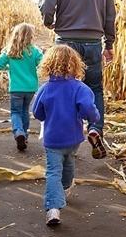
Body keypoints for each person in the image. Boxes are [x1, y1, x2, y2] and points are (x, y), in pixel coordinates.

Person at [38, 0, 116, 159]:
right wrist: (109, 44)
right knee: (94, 88)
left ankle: (63, 140)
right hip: (92, 42)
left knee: (61, 88)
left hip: (65, 41)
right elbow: (110, 15)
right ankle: (95, 128)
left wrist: (48, 22)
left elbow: (46, 6)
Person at [32, 45, 100, 225]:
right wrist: (94, 118)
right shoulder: (80, 88)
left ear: (48, 65)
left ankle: (53, 208)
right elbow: (89, 110)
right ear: (75, 64)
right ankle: (62, 189)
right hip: (73, 138)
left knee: (54, 171)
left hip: (52, 138)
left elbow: (37, 113)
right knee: (69, 162)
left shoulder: (45, 89)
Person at [0, 23, 43, 151]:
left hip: (16, 88)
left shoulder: (10, 51)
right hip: (30, 88)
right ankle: (24, 136)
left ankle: (18, 132)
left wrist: (9, 67)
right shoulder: (35, 51)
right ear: (31, 36)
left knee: (16, 112)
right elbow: (43, 64)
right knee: (25, 111)